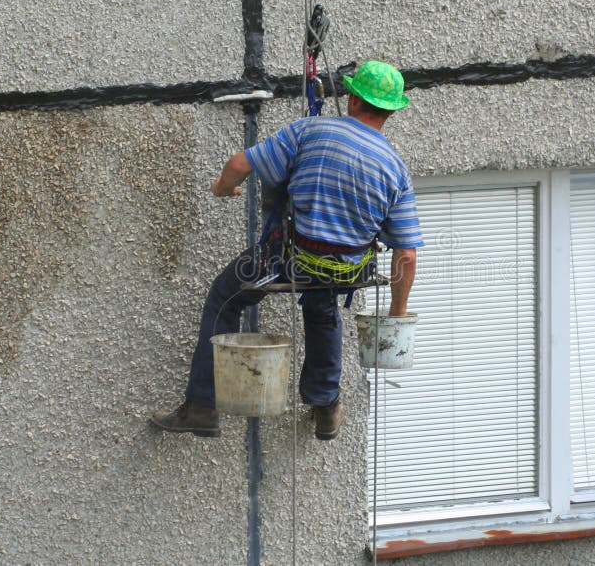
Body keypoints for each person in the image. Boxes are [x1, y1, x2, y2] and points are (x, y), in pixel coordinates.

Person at [150, 61, 423, 440]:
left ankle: (202, 405)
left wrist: (222, 187)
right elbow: (406, 253)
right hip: (342, 270)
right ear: (391, 110)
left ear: (354, 99)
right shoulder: (395, 169)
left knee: (224, 299)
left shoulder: (310, 130)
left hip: (289, 259)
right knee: (323, 306)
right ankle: (325, 405)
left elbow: (239, 164)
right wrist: (397, 313)